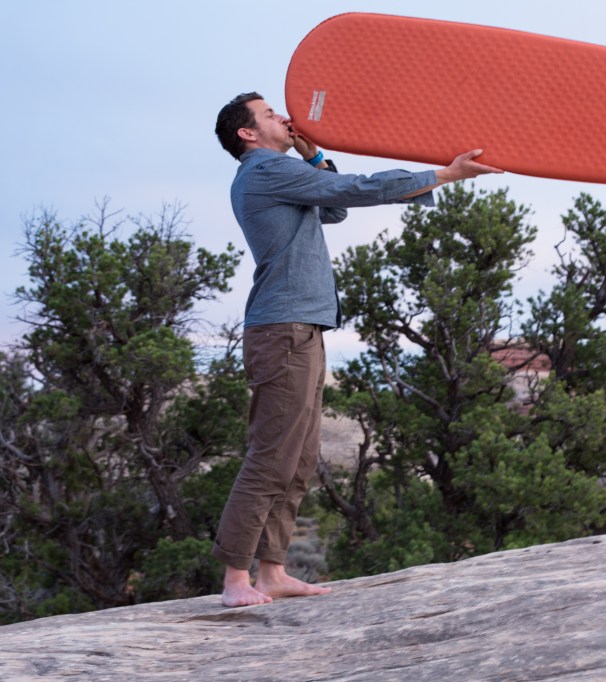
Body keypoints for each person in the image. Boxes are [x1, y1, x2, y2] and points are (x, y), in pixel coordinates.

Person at [211, 92, 503, 607]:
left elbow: (336, 208)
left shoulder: (285, 174)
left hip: (301, 328)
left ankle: (272, 571)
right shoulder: (261, 172)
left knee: (298, 458)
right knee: (269, 456)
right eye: (269, 113)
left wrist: (314, 155)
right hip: (281, 329)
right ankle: (237, 578)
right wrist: (444, 175)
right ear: (248, 134)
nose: (283, 115)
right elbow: (356, 189)